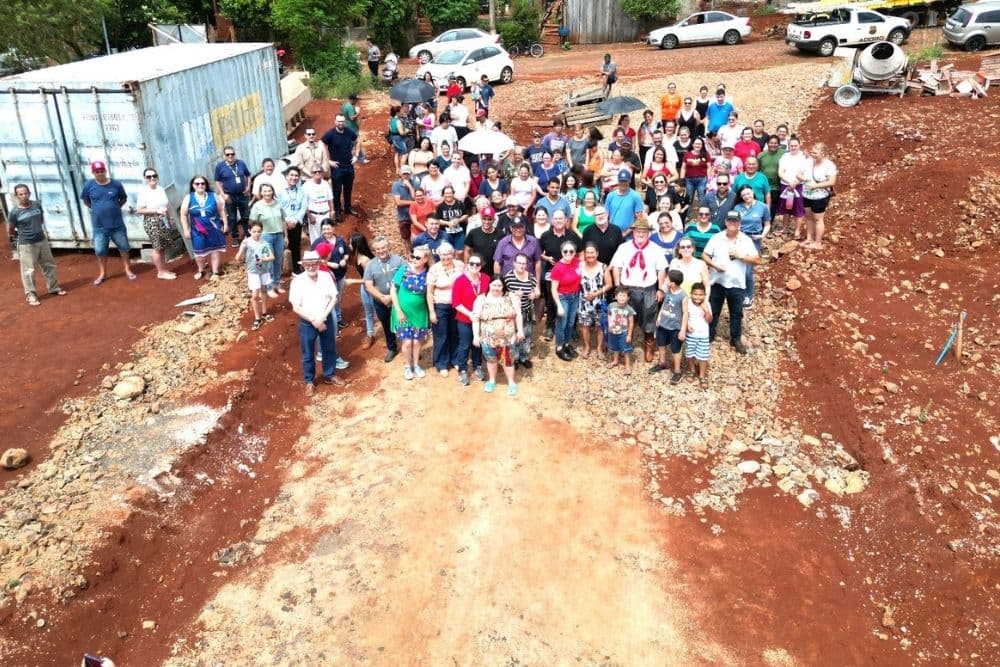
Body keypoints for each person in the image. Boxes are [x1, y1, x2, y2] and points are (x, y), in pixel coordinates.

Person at [610, 218, 668, 363]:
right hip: (627, 288)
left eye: (644, 231)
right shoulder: (624, 247)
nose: (640, 234)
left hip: (647, 289)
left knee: (649, 317)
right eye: (638, 231)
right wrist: (618, 287)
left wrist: (660, 289)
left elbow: (661, 270)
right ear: (633, 232)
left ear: (648, 232)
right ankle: (623, 345)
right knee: (624, 317)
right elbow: (617, 266)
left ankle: (648, 345)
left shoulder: (656, 249)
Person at [702, 211, 760, 354]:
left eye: (735, 221)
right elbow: (705, 255)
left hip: (736, 283)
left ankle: (736, 338)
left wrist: (741, 256)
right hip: (717, 281)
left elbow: (757, 260)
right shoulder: (717, 238)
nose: (732, 223)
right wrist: (714, 266)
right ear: (726, 222)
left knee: (736, 313)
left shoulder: (745, 240)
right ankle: (709, 335)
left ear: (739, 223)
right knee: (713, 311)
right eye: (730, 220)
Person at [290, 250, 346, 396]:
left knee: (329, 347)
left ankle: (329, 374)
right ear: (303, 265)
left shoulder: (326, 276)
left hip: (325, 318)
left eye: (313, 264)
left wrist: (322, 318)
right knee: (308, 353)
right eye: (307, 265)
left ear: (318, 264)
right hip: (308, 322)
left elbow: (334, 298)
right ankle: (309, 380)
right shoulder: (298, 281)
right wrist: (315, 320)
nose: (311, 267)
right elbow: (296, 306)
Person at [7, 184, 65, 305]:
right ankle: (31, 295)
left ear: (29, 193)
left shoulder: (36, 205)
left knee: (49, 265)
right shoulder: (14, 212)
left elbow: (41, 219)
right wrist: (23, 234)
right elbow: (10, 230)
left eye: (25, 193)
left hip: (42, 240)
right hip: (26, 244)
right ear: (17, 196)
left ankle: (53, 288)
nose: (24, 196)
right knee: (28, 271)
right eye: (20, 194)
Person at [81, 161, 135, 284]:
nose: (100, 173)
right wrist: (97, 209)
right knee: (100, 250)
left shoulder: (116, 184)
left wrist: (115, 207)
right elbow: (86, 201)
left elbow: (123, 198)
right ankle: (103, 273)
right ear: (93, 173)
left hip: (117, 225)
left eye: (102, 171)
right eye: (97, 172)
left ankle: (127, 269)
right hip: (99, 226)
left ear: (105, 171)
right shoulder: (89, 185)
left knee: (124, 247)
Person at [472, 275, 525, 395]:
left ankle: (511, 382)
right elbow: (475, 318)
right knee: (491, 360)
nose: (496, 288)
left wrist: (520, 330)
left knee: (508, 361)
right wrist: (476, 335)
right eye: (494, 285)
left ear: (503, 286)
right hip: (487, 338)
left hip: (507, 338)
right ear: (489, 285)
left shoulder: (511, 297)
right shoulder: (481, 299)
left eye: (499, 285)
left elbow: (518, 315)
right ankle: (492, 381)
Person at [390, 245, 432, 380]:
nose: (413, 259)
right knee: (407, 342)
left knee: (417, 341)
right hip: (402, 312)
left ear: (425, 259)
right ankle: (407, 366)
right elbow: (393, 290)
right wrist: (398, 310)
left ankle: (416, 365)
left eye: (417, 257)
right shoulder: (403, 270)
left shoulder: (429, 273)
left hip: (420, 313)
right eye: (412, 256)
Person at [363, 236, 404, 362]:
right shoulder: (370, 265)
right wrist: (382, 297)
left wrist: (391, 297)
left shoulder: (399, 261)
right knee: (386, 325)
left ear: (388, 247)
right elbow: (368, 285)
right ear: (374, 251)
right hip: (381, 302)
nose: (381, 251)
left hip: (399, 299)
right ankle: (392, 348)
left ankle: (407, 346)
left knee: (404, 322)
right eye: (377, 249)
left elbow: (405, 279)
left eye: (383, 247)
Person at [426, 241, 464, 376]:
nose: (446, 257)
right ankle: (441, 363)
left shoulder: (460, 266)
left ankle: (455, 360)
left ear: (453, 254)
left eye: (448, 254)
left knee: (455, 333)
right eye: (443, 254)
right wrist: (431, 311)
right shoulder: (434, 269)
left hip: (457, 306)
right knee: (441, 335)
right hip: (440, 305)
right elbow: (429, 292)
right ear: (438, 255)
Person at [180, 175, 228, 280]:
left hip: (214, 228)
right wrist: (185, 229)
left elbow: (221, 210)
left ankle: (215, 272)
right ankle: (201, 270)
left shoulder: (213, 195)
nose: (200, 185)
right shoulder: (189, 197)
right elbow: (183, 214)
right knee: (199, 253)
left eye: (202, 183)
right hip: (197, 230)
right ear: (193, 185)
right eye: (197, 183)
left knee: (215, 250)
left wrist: (225, 223)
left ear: (206, 185)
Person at [452, 254, 490, 385]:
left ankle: (477, 365)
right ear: (467, 265)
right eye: (472, 263)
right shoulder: (460, 280)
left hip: (480, 318)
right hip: (464, 318)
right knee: (465, 344)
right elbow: (456, 303)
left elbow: (487, 297)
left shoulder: (485, 278)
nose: (474, 266)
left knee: (478, 343)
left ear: (481, 266)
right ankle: (462, 369)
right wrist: (469, 314)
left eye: (477, 264)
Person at [732, 185, 770, 309]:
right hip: (740, 239)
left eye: (748, 193)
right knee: (738, 268)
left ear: (753, 192)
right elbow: (734, 223)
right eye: (744, 195)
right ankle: (739, 293)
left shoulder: (762, 207)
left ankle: (749, 296)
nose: (746, 197)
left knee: (748, 271)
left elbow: (767, 224)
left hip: (754, 240)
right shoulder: (738, 207)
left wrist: (762, 235)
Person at [135, 167, 176, 280]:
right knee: (157, 247)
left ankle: (162, 269)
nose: (152, 178)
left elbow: (167, 206)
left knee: (162, 246)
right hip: (152, 221)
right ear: (145, 178)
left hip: (163, 220)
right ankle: (161, 272)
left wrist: (171, 218)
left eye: (154, 176)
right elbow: (139, 210)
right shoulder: (143, 192)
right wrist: (154, 211)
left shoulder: (160, 189)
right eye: (149, 176)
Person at [248, 183, 288, 298]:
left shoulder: (278, 204)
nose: (267, 193)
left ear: (272, 191)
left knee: (278, 261)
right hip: (265, 237)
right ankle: (269, 287)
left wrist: (286, 236)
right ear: (261, 193)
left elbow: (283, 220)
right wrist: (255, 238)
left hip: (279, 235)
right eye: (264, 191)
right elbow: (253, 223)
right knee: (268, 262)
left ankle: (276, 284)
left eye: (269, 190)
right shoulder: (257, 206)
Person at [235, 220, 275, 331]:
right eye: (254, 231)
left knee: (263, 291)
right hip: (253, 272)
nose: (256, 234)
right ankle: (257, 318)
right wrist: (242, 248)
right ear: (249, 231)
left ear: (262, 232)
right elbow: (238, 258)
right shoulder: (246, 243)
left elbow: (271, 257)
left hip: (264, 271)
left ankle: (264, 312)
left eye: (259, 231)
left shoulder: (264, 243)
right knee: (255, 295)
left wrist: (263, 259)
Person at [502, 253, 539, 369]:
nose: (522, 266)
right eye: (519, 263)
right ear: (514, 263)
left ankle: (524, 357)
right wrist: (512, 294)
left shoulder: (531, 277)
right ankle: (515, 358)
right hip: (513, 313)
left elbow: (537, 291)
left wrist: (534, 295)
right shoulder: (508, 277)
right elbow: (501, 294)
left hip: (527, 311)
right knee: (513, 336)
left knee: (526, 334)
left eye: (524, 263)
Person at [311, 219, 350, 326]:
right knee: (329, 299)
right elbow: (313, 260)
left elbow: (346, 253)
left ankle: (338, 318)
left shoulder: (340, 240)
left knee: (338, 297)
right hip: (326, 277)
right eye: (324, 229)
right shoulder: (318, 243)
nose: (326, 231)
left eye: (328, 228)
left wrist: (344, 260)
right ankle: (330, 321)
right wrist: (329, 264)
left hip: (340, 274)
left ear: (333, 228)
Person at [549, 240, 582, 361]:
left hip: (575, 296)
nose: (568, 253)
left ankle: (567, 344)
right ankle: (559, 347)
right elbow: (553, 289)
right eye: (565, 251)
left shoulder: (577, 262)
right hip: (563, 297)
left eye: (571, 251)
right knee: (562, 324)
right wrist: (559, 305)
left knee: (570, 323)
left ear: (575, 252)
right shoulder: (557, 268)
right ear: (561, 252)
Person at [322, 114, 360, 221]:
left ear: (345, 122)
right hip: (337, 168)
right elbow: (322, 144)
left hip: (349, 166)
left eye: (342, 121)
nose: (340, 123)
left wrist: (356, 155)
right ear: (335, 122)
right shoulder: (330, 134)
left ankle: (348, 208)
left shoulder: (349, 132)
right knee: (337, 190)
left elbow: (358, 140)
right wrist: (328, 160)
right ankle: (338, 211)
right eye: (339, 121)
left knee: (348, 188)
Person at [577, 242, 611, 358]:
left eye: (592, 252)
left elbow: (609, 284)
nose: (590, 255)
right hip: (583, 302)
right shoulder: (579, 266)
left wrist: (596, 294)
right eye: (587, 253)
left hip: (599, 302)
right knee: (585, 326)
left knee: (600, 326)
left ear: (597, 253)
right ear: (584, 254)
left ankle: (599, 347)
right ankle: (586, 346)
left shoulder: (603, 267)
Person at [802, 142, 838, 250]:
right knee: (808, 217)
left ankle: (818, 242)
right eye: (812, 152)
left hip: (820, 196)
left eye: (815, 153)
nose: (813, 155)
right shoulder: (809, 161)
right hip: (807, 193)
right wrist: (802, 178)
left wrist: (816, 186)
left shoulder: (829, 165)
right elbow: (800, 173)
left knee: (818, 219)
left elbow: (832, 182)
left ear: (823, 153)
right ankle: (809, 238)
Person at [778, 136, 809, 240]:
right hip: (785, 185)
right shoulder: (784, 156)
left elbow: (806, 173)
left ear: (800, 145)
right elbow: (780, 172)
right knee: (786, 207)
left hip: (798, 185)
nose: (793, 147)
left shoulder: (805, 157)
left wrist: (796, 182)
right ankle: (785, 228)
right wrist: (788, 182)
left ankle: (797, 231)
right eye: (791, 145)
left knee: (798, 207)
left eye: (795, 145)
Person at [278, 166, 308, 275]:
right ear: (286, 176)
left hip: (296, 223)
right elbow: (279, 208)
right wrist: (286, 221)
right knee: (281, 246)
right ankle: (280, 271)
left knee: (296, 246)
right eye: (291, 175)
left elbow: (303, 207)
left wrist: (295, 220)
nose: (294, 177)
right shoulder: (280, 192)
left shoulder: (302, 191)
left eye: (296, 175)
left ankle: (296, 270)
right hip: (283, 223)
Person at [684, 282, 712, 389]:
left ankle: (702, 375)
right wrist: (686, 326)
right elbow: (684, 316)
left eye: (701, 295)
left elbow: (709, 320)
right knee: (690, 353)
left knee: (703, 356)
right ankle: (691, 370)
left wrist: (706, 310)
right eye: (695, 294)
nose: (698, 297)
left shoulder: (707, 304)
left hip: (703, 335)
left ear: (704, 295)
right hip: (691, 334)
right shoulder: (688, 303)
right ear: (691, 294)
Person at [464, 206, 504, 277]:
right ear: (481, 219)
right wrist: (467, 265)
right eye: (484, 219)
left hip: (494, 270)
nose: (487, 222)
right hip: (477, 269)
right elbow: (467, 250)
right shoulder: (473, 233)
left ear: (494, 219)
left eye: (489, 219)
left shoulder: (501, 234)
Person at [757, 135, 787, 226]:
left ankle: (769, 222)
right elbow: (757, 169)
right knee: (762, 203)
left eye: (775, 143)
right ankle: (760, 222)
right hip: (763, 184)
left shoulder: (784, 153)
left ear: (778, 144)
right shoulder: (761, 155)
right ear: (767, 144)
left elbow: (795, 156)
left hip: (776, 185)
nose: (773, 145)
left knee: (773, 204)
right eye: (771, 143)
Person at [606, 287, 636, 375]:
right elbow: (609, 315)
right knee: (615, 347)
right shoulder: (611, 306)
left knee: (625, 349)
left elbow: (631, 323)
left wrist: (629, 335)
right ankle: (615, 360)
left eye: (624, 296)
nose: (622, 297)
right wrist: (609, 325)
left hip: (623, 332)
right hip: (613, 331)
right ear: (616, 296)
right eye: (620, 295)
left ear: (628, 298)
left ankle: (628, 366)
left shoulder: (629, 309)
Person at [605, 168, 644, 233]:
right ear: (618, 181)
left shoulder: (635, 196)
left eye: (625, 181)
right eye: (621, 181)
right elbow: (606, 215)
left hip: (629, 235)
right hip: (612, 233)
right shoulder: (610, 196)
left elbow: (639, 219)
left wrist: (625, 233)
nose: (623, 183)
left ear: (630, 181)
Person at [302, 166, 334, 243]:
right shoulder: (306, 185)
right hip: (314, 216)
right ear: (311, 174)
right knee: (316, 239)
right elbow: (304, 203)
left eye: (319, 171)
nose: (317, 173)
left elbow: (330, 198)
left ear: (322, 173)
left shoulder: (326, 184)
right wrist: (309, 216)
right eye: (315, 172)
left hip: (326, 214)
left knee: (327, 236)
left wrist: (332, 211)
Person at [391, 166, 416, 252]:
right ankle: (409, 253)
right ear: (400, 174)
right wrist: (412, 203)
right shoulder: (396, 185)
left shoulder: (415, 183)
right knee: (406, 236)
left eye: (407, 174)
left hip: (415, 213)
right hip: (403, 215)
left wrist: (409, 186)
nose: (405, 176)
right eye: (404, 174)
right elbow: (398, 202)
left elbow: (416, 197)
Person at [681, 137, 710, 204]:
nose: (697, 145)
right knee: (688, 199)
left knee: (702, 199)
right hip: (689, 180)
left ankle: (703, 214)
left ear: (702, 145)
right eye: (696, 144)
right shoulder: (687, 154)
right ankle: (688, 214)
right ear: (692, 144)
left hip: (702, 179)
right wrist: (681, 179)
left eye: (699, 144)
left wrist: (709, 179)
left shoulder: (706, 154)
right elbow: (683, 167)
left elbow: (709, 167)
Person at [387, 105, 409, 171]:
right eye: (401, 111)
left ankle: (397, 169)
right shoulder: (398, 121)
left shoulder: (391, 120)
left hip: (393, 138)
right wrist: (407, 131)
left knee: (397, 153)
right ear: (397, 112)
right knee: (405, 153)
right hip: (399, 139)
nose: (402, 112)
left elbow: (390, 129)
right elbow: (401, 133)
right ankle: (402, 169)